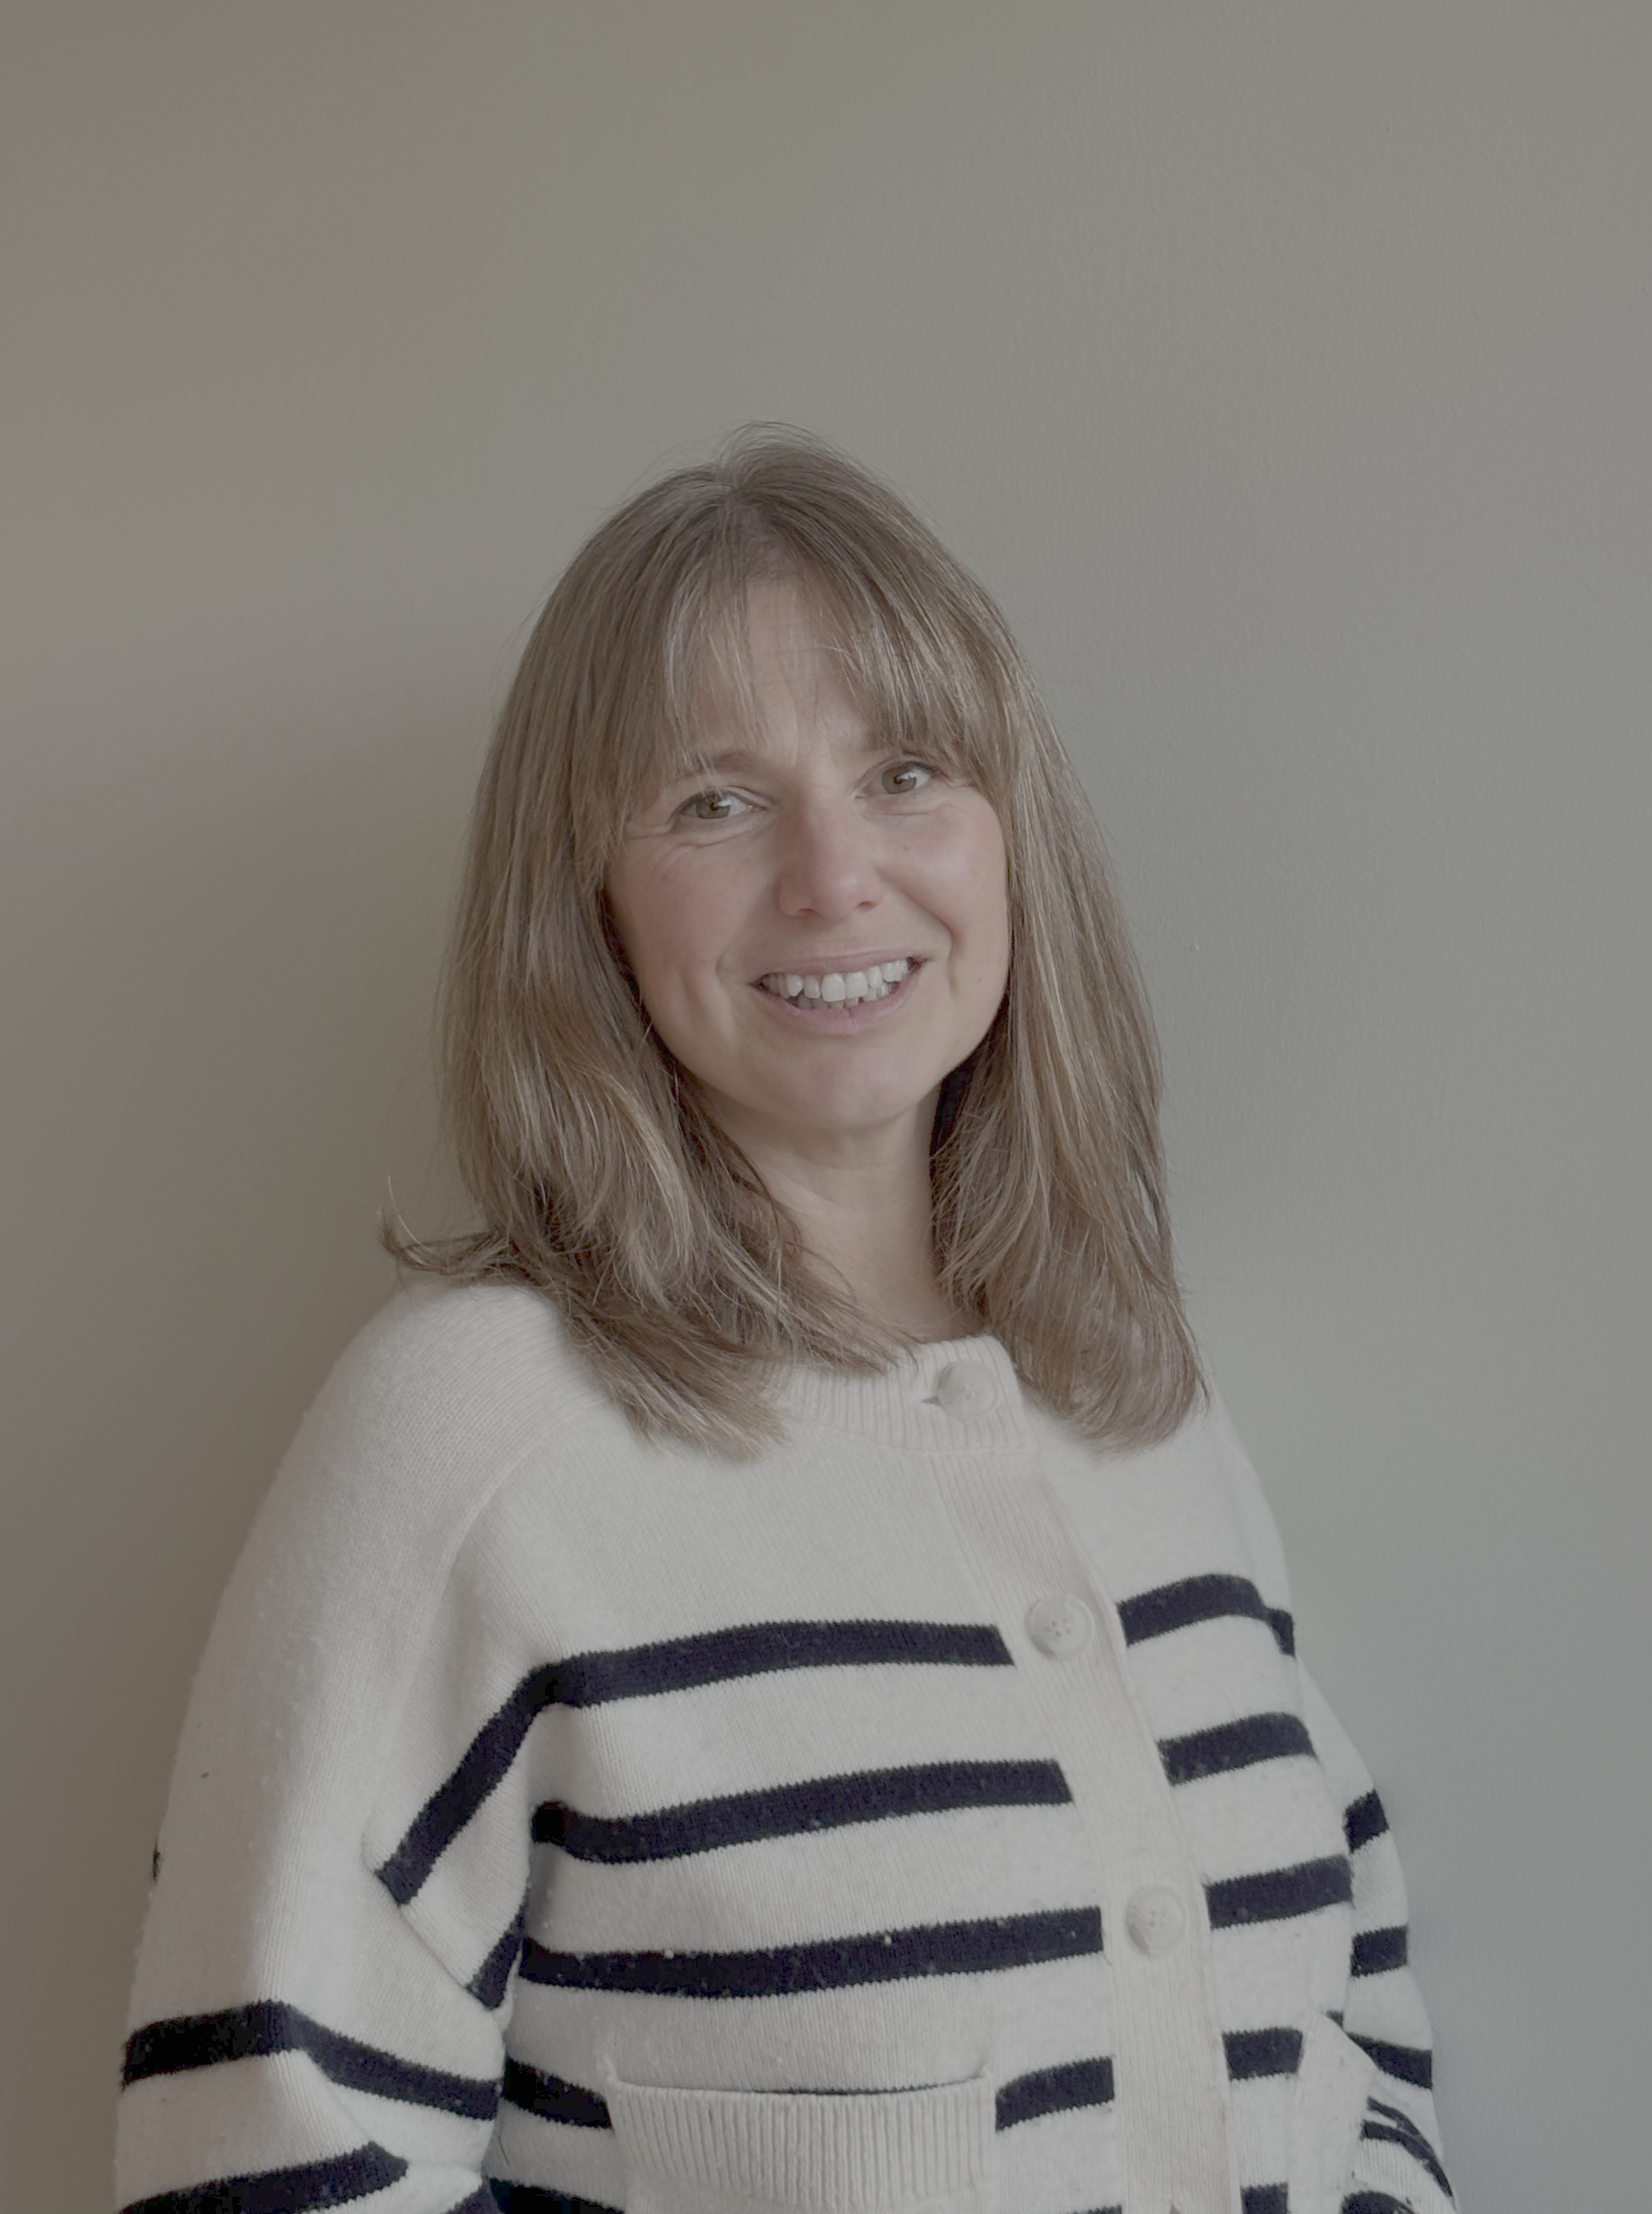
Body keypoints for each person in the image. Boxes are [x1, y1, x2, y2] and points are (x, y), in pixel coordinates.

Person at [116, 430, 1457, 2214]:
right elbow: (259, 2164)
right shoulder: (471, 1439)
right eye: (712, 802)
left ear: (1008, 839)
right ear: (583, 907)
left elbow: (1351, 2026)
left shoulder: (1143, 1399)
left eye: (905, 771)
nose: (835, 878)